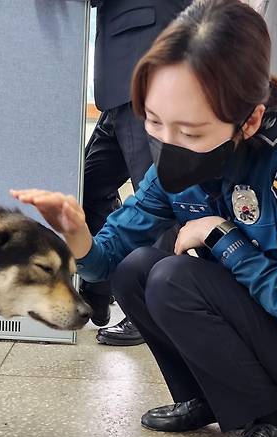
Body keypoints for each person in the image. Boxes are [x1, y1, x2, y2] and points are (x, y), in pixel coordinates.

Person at [12, 0, 277, 437]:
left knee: (173, 278)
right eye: (154, 122)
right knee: (137, 269)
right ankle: (204, 398)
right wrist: (79, 234)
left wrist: (221, 236)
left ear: (249, 122)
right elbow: (108, 258)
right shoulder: (179, 154)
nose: (168, 143)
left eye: (190, 131)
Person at [84, 0, 191, 346]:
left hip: (144, 67)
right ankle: (97, 294)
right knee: (88, 185)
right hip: (120, 81)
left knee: (156, 199)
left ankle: (150, 312)